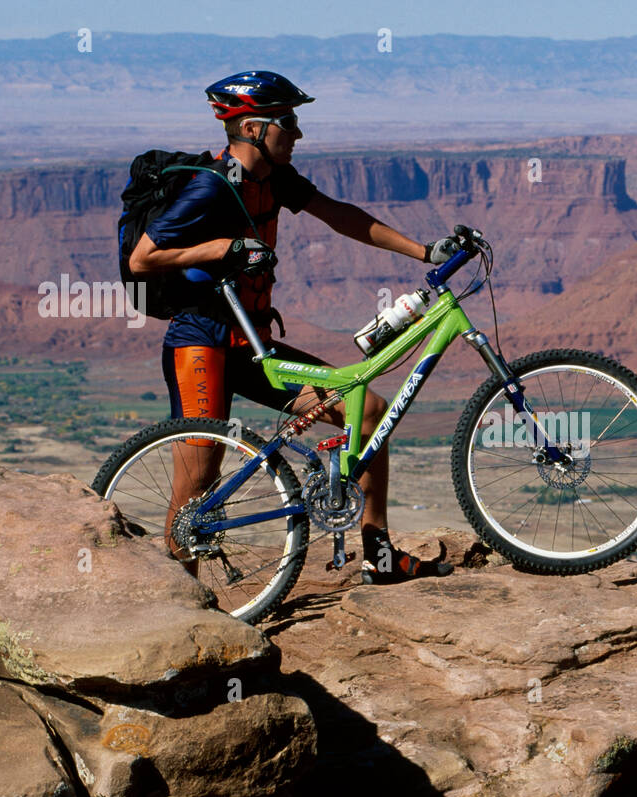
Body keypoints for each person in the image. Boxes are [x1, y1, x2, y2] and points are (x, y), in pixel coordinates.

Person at [127, 70, 459, 586]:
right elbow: (144, 257)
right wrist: (221, 249)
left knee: (367, 412)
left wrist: (423, 251)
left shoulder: (275, 180)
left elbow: (341, 216)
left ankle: (379, 555)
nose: (298, 133)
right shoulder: (209, 189)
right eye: (289, 121)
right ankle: (180, 597)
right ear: (254, 127)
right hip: (201, 343)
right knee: (197, 478)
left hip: (254, 343)